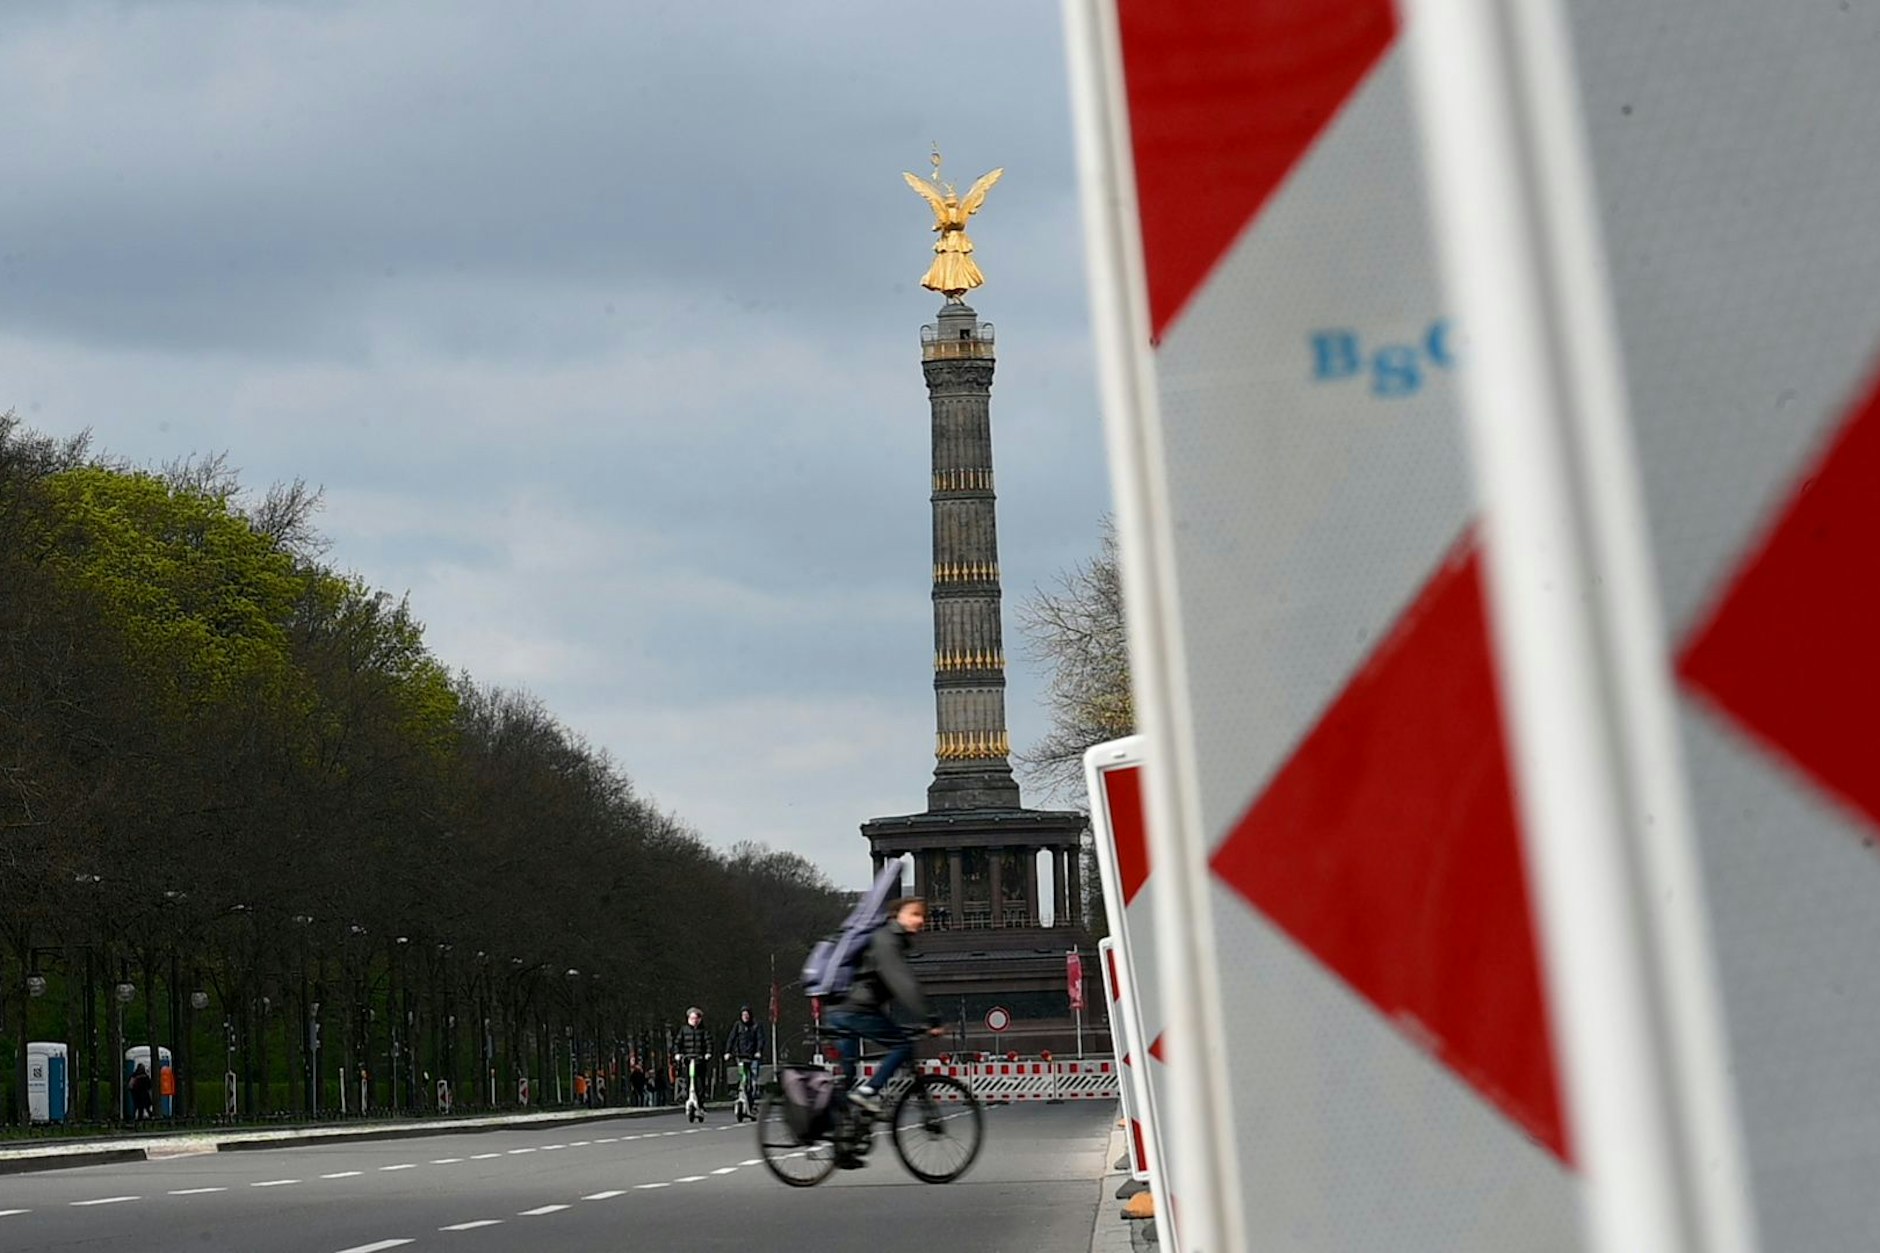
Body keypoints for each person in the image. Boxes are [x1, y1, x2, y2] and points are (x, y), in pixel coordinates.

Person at [826, 897, 945, 1119]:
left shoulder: (882, 938)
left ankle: (836, 1131)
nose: (920, 920)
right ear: (896, 915)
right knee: (902, 1045)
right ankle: (869, 1091)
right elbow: (903, 983)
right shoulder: (886, 940)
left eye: (923, 916)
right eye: (914, 914)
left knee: (847, 1076)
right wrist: (931, 1018)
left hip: (837, 1008)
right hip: (856, 1009)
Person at [675, 1007, 713, 1122]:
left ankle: (700, 1104)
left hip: (699, 1061)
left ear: (700, 1019)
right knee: (688, 1082)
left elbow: (708, 1042)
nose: (694, 1020)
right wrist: (677, 1053)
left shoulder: (704, 1031)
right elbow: (678, 1043)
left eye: (696, 1018)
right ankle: (689, 1099)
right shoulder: (683, 1030)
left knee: (700, 1084)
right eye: (692, 1018)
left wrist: (708, 1053)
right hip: (688, 1061)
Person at [724, 1004, 765, 1103]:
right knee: (743, 1075)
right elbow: (731, 1038)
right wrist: (728, 1052)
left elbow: (760, 1039)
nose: (745, 1017)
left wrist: (758, 1051)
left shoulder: (756, 1025)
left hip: (752, 1056)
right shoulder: (738, 1025)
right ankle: (742, 1091)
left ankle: (752, 1094)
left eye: (747, 1015)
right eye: (743, 1015)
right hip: (740, 1055)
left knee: (753, 1076)